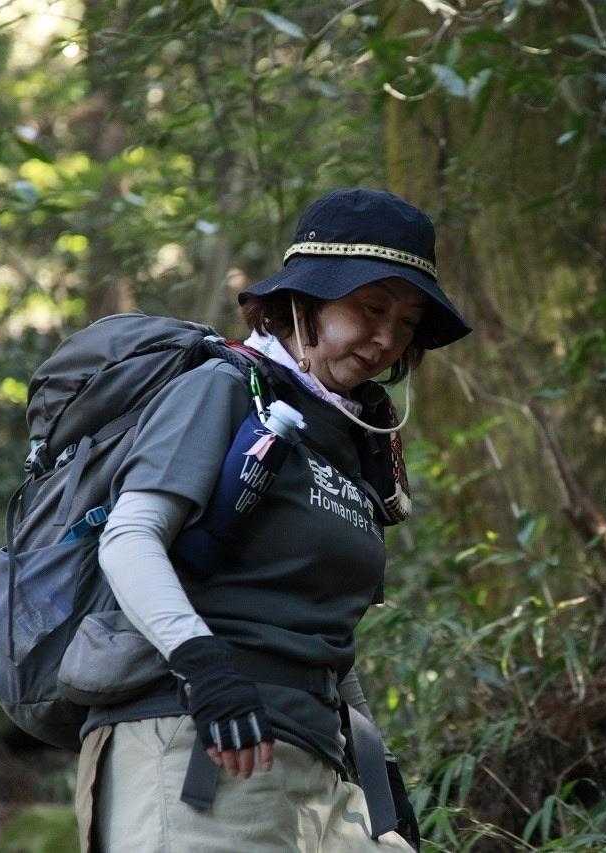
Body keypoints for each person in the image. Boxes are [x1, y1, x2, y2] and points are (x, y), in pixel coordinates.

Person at [72, 187, 473, 851]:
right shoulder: (224, 387)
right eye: (371, 308)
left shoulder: (348, 437)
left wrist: (378, 768)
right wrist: (206, 669)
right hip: (195, 744)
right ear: (304, 301)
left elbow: (324, 631)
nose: (386, 339)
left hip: (313, 760)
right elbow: (130, 538)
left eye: (406, 323)